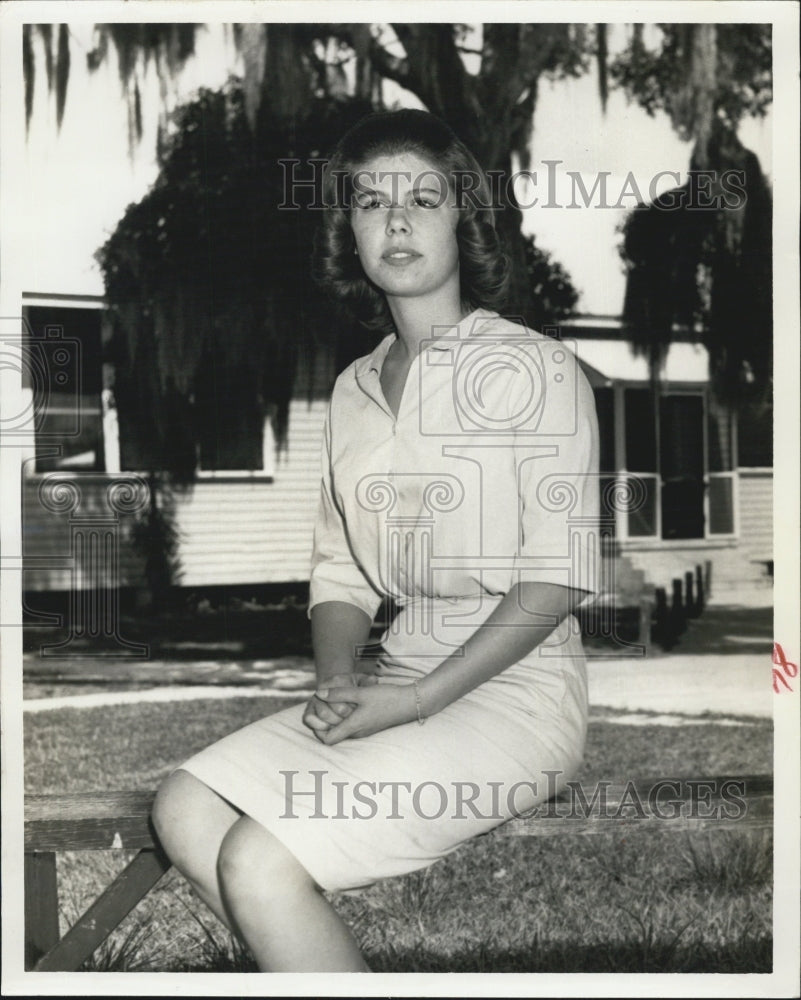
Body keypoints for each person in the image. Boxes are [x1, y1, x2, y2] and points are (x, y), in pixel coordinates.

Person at [152, 108, 600, 973]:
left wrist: (418, 701)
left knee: (257, 857)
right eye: (369, 203)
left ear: (461, 222)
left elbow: (555, 579)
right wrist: (337, 677)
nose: (395, 221)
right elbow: (340, 571)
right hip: (394, 679)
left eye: (422, 199)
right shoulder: (354, 387)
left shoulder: (536, 367)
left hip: (516, 696)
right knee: (185, 806)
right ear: (348, 233)